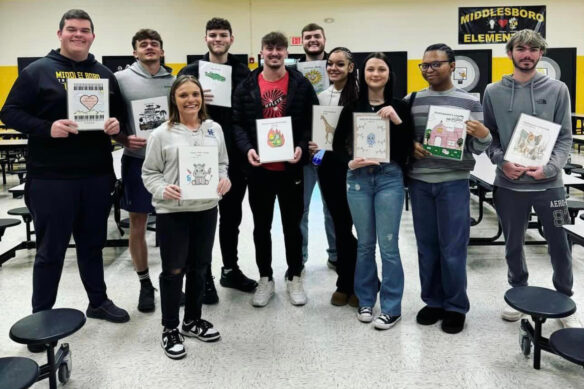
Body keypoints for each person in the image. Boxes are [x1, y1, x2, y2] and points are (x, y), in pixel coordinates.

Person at [0, 10, 130, 343]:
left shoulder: (103, 74)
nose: (78, 35)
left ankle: (98, 302)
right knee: (50, 250)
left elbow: (117, 118)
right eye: (71, 30)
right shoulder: (37, 72)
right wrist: (47, 128)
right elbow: (9, 112)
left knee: (92, 244)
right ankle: (41, 317)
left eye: (84, 30)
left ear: (92, 36)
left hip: (96, 175)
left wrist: (116, 127)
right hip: (51, 178)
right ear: (59, 33)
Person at [483, 30, 580, 328]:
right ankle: (518, 292)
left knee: (560, 242)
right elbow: (490, 138)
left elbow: (565, 138)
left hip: (552, 186)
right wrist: (502, 161)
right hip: (509, 185)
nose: (527, 54)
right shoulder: (493, 91)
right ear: (510, 52)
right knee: (513, 244)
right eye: (521, 48)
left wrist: (550, 169)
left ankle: (565, 298)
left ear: (540, 54)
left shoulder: (558, 89)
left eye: (533, 50)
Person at [142, 75, 230, 359]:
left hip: (206, 209)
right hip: (174, 213)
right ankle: (170, 328)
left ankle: (192, 321)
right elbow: (149, 173)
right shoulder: (161, 134)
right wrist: (162, 188)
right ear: (174, 100)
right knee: (173, 270)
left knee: (200, 268)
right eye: (183, 95)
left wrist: (224, 179)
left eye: (195, 94)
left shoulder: (214, 129)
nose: (191, 100)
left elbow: (222, 163)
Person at [407, 43, 492, 334]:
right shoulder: (412, 99)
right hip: (420, 185)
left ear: (453, 65)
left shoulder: (470, 103)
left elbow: (479, 147)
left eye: (436, 64)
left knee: (453, 249)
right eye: (425, 65)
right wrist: (410, 146)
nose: (429, 70)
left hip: (454, 184)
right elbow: (401, 138)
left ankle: (456, 306)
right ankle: (433, 302)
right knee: (426, 247)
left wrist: (484, 135)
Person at [233, 31, 318, 307]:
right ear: (261, 51)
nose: (274, 53)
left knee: (293, 226)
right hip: (260, 171)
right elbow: (237, 124)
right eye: (269, 48)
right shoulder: (247, 85)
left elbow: (310, 122)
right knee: (261, 227)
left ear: (286, 53)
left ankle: (294, 275)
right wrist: (248, 149)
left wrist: (302, 147)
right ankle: (265, 278)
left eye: (279, 48)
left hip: (291, 169)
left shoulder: (301, 84)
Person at [178, 17, 256, 305]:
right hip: (197, 156)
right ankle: (203, 277)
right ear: (206, 38)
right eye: (213, 34)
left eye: (223, 34)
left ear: (231, 39)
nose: (218, 39)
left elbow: (250, 111)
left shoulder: (243, 72)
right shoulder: (190, 72)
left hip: (233, 156)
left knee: (231, 217)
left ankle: (230, 269)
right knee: (200, 219)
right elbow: (175, 109)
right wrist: (196, 100)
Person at [333, 52, 413, 330]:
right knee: (365, 244)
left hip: (389, 178)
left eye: (381, 69)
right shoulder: (351, 106)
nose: (375, 74)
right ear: (362, 74)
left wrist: (397, 121)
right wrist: (350, 161)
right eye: (370, 69)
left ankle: (392, 308)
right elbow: (337, 146)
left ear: (389, 74)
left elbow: (407, 150)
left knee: (388, 246)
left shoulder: (400, 106)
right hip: (358, 179)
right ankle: (366, 299)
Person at [115, 28, 174, 313]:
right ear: (135, 51)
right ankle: (144, 284)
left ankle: (172, 281)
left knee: (172, 224)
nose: (149, 47)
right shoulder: (120, 80)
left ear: (162, 50)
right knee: (138, 223)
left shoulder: (174, 81)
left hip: (170, 164)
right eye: (143, 44)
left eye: (154, 44)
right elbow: (110, 122)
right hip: (137, 159)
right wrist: (123, 139)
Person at [308, 47, 359, 306]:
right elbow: (319, 137)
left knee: (362, 228)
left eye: (340, 64)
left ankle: (363, 281)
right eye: (330, 64)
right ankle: (344, 281)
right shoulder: (321, 96)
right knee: (340, 227)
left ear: (350, 67)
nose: (333, 68)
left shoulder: (360, 95)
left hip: (357, 168)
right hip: (329, 169)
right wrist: (314, 148)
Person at [298, 23, 337, 269]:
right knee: (300, 210)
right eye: (308, 37)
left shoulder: (338, 69)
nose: (313, 40)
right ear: (301, 42)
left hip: (331, 152)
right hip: (304, 151)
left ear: (324, 39)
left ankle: (336, 255)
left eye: (316, 36)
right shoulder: (294, 72)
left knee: (333, 208)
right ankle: (299, 258)